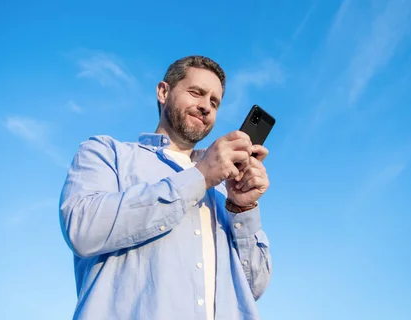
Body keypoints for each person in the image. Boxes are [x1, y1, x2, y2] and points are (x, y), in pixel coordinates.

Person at [59, 55, 272, 320]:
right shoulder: (106, 153)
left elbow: (255, 286)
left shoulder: (222, 194)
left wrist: (242, 207)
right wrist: (201, 176)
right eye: (196, 93)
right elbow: (83, 229)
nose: (206, 106)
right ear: (163, 91)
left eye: (214, 102)